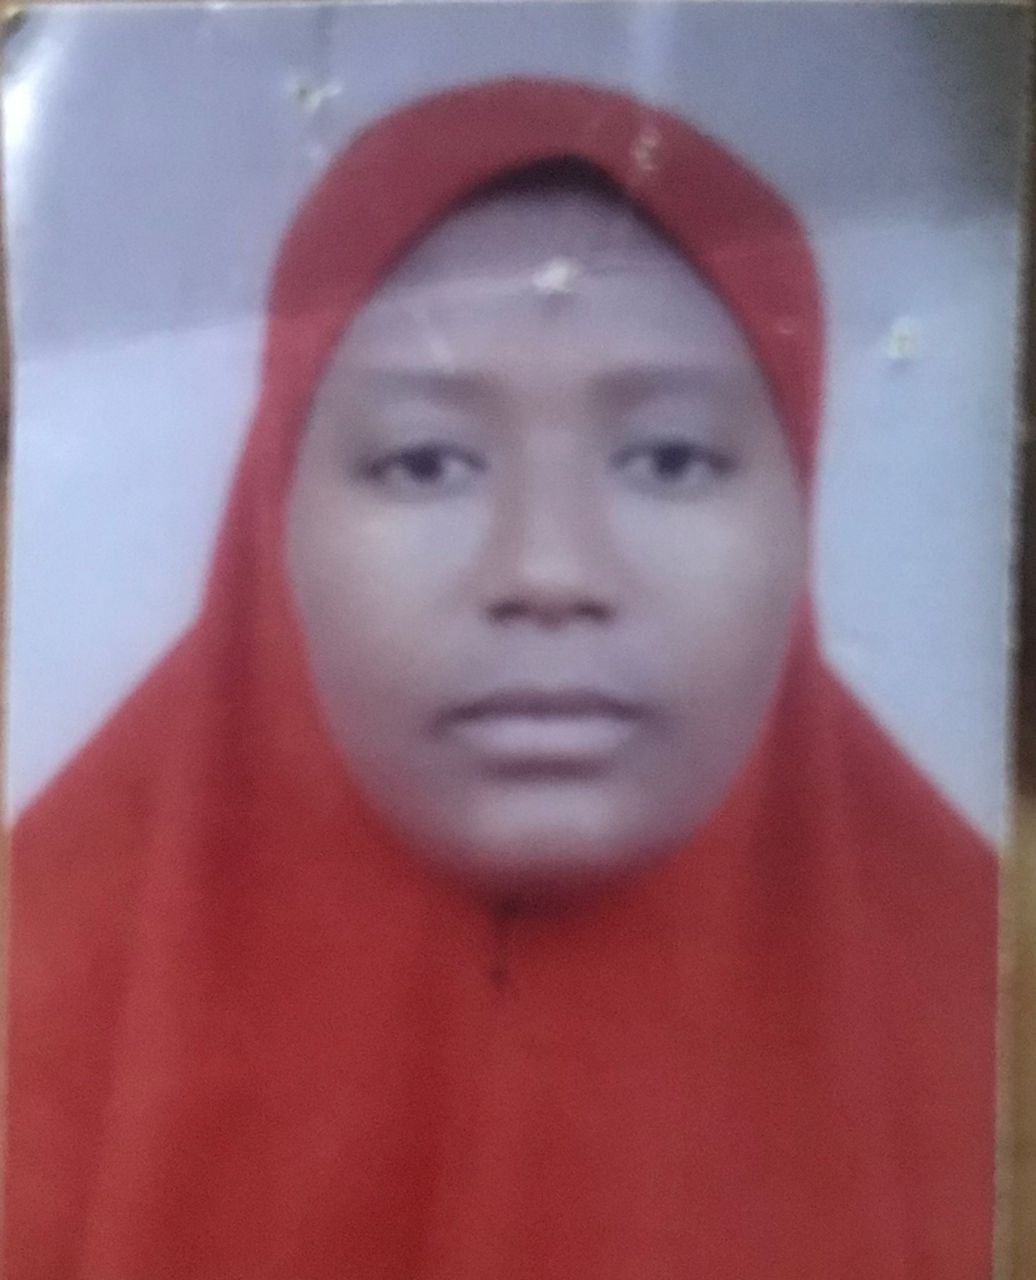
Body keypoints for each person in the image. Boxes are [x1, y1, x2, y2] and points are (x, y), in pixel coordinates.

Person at [6, 77, 996, 1280]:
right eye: (425, 463)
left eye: (670, 458)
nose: (548, 569)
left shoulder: (994, 1014)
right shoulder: (32, 992)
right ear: (272, 518)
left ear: (800, 496)